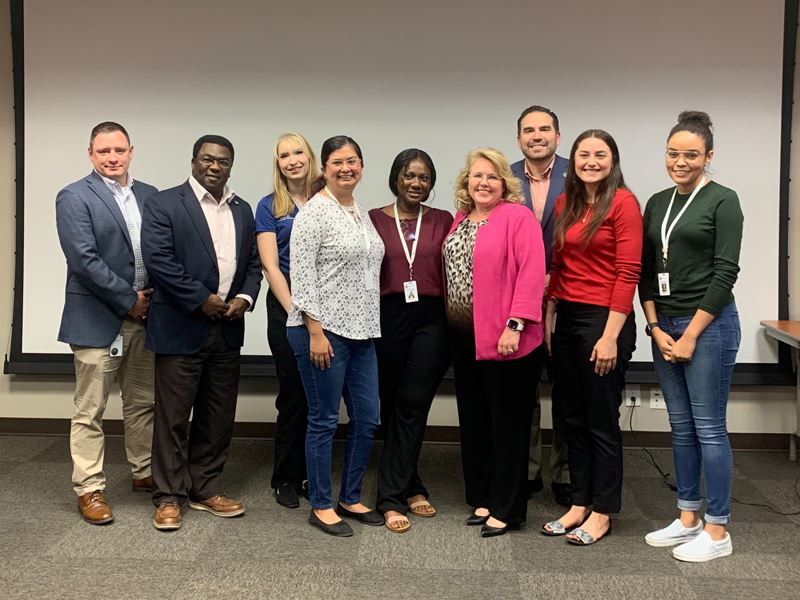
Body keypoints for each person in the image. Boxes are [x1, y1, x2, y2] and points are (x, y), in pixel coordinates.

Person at [141, 134, 262, 531]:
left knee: (217, 416)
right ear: (193, 161)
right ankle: (169, 496)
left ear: (231, 166)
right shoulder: (163, 202)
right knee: (173, 417)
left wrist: (244, 297)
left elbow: (252, 264)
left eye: (223, 161)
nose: (214, 166)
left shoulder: (243, 209)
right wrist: (201, 299)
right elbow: (160, 260)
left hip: (228, 327)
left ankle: (205, 488)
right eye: (207, 159)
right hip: (181, 326)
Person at [641, 111, 743, 562]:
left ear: (708, 156)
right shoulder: (657, 202)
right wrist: (656, 327)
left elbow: (725, 274)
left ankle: (718, 531)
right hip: (665, 326)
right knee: (680, 427)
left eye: (691, 155)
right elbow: (646, 272)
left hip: (709, 327)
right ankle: (688, 518)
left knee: (708, 428)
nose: (680, 162)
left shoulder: (723, 200)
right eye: (673, 153)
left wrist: (690, 335)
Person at [541, 129, 642, 545]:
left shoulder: (623, 203)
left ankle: (602, 511)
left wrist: (610, 337)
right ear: (574, 160)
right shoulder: (567, 202)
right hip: (566, 318)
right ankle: (579, 503)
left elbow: (628, 273)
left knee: (601, 421)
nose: (591, 162)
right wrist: (549, 314)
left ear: (613, 160)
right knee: (570, 418)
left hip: (605, 321)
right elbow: (558, 265)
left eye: (600, 155)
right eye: (584, 154)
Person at [56, 121, 158, 525]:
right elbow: (83, 259)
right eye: (103, 152)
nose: (112, 158)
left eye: (119, 150)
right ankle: (90, 488)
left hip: (145, 319)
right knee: (90, 408)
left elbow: (161, 253)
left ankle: (144, 470)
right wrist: (127, 299)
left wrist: (147, 303)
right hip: (98, 318)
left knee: (142, 403)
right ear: (91, 154)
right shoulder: (74, 196)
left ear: (131, 151)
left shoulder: (150, 195)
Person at [286, 135, 385, 537]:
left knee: (368, 418)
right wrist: (314, 329)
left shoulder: (359, 212)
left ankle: (351, 496)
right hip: (322, 332)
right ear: (324, 168)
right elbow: (302, 276)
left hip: (363, 332)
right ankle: (322, 504)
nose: (347, 168)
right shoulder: (314, 213)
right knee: (325, 419)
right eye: (338, 162)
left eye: (354, 161)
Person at [444, 148, 546, 538]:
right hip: (465, 340)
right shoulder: (460, 220)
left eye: (492, 176)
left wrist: (515, 325)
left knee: (509, 426)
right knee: (476, 422)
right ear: (466, 182)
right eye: (476, 176)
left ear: (504, 183)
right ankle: (484, 497)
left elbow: (532, 273)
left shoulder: (517, 218)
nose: (483, 183)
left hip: (508, 340)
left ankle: (508, 507)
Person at [368, 149, 453, 533]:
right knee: (392, 402)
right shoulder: (371, 220)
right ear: (395, 178)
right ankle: (412, 484)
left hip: (431, 320)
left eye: (424, 178)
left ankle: (388, 497)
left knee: (414, 402)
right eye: (409, 176)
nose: (416, 183)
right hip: (387, 317)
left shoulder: (444, 220)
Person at [510, 105, 571, 506]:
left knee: (566, 389)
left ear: (557, 136)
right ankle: (527, 470)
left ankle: (564, 473)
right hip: (517, 299)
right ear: (519, 138)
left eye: (544, 129)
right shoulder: (505, 176)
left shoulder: (579, 170)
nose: (537, 135)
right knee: (522, 390)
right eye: (529, 130)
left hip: (568, 295)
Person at [255, 133, 318, 509]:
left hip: (327, 308)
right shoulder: (269, 206)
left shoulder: (328, 200)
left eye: (298, 152)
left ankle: (312, 473)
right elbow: (270, 266)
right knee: (294, 395)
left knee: (320, 397)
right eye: (284, 155)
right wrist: (296, 309)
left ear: (310, 157)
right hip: (285, 307)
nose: (292, 160)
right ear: (277, 163)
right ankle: (285, 477)